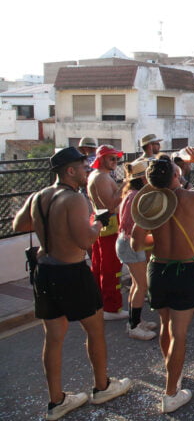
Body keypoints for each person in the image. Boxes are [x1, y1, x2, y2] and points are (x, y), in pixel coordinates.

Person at [13, 147, 132, 421]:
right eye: (81, 166)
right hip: (72, 273)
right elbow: (85, 241)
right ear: (69, 171)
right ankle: (101, 386)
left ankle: (56, 401)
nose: (86, 170)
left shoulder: (39, 195)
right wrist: (99, 223)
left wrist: (53, 223)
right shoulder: (76, 199)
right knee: (95, 331)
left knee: (53, 339)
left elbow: (20, 224)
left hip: (44, 271)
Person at [131, 149, 194, 413]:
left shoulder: (148, 202)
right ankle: (171, 392)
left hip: (157, 268)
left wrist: (158, 240)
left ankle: (172, 372)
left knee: (165, 326)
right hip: (184, 270)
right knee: (179, 334)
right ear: (176, 174)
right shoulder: (191, 197)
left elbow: (136, 242)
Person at [116, 159, 157, 340]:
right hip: (130, 243)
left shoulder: (132, 194)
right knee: (141, 285)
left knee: (136, 284)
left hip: (127, 242)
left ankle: (136, 320)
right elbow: (135, 226)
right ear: (144, 179)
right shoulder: (137, 197)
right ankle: (134, 326)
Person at [87, 145, 127, 320]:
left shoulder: (97, 176)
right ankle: (111, 307)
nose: (115, 162)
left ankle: (99, 303)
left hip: (100, 222)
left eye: (116, 159)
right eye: (112, 158)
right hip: (108, 224)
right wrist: (127, 185)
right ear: (101, 159)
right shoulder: (101, 177)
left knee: (99, 266)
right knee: (111, 268)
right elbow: (111, 205)